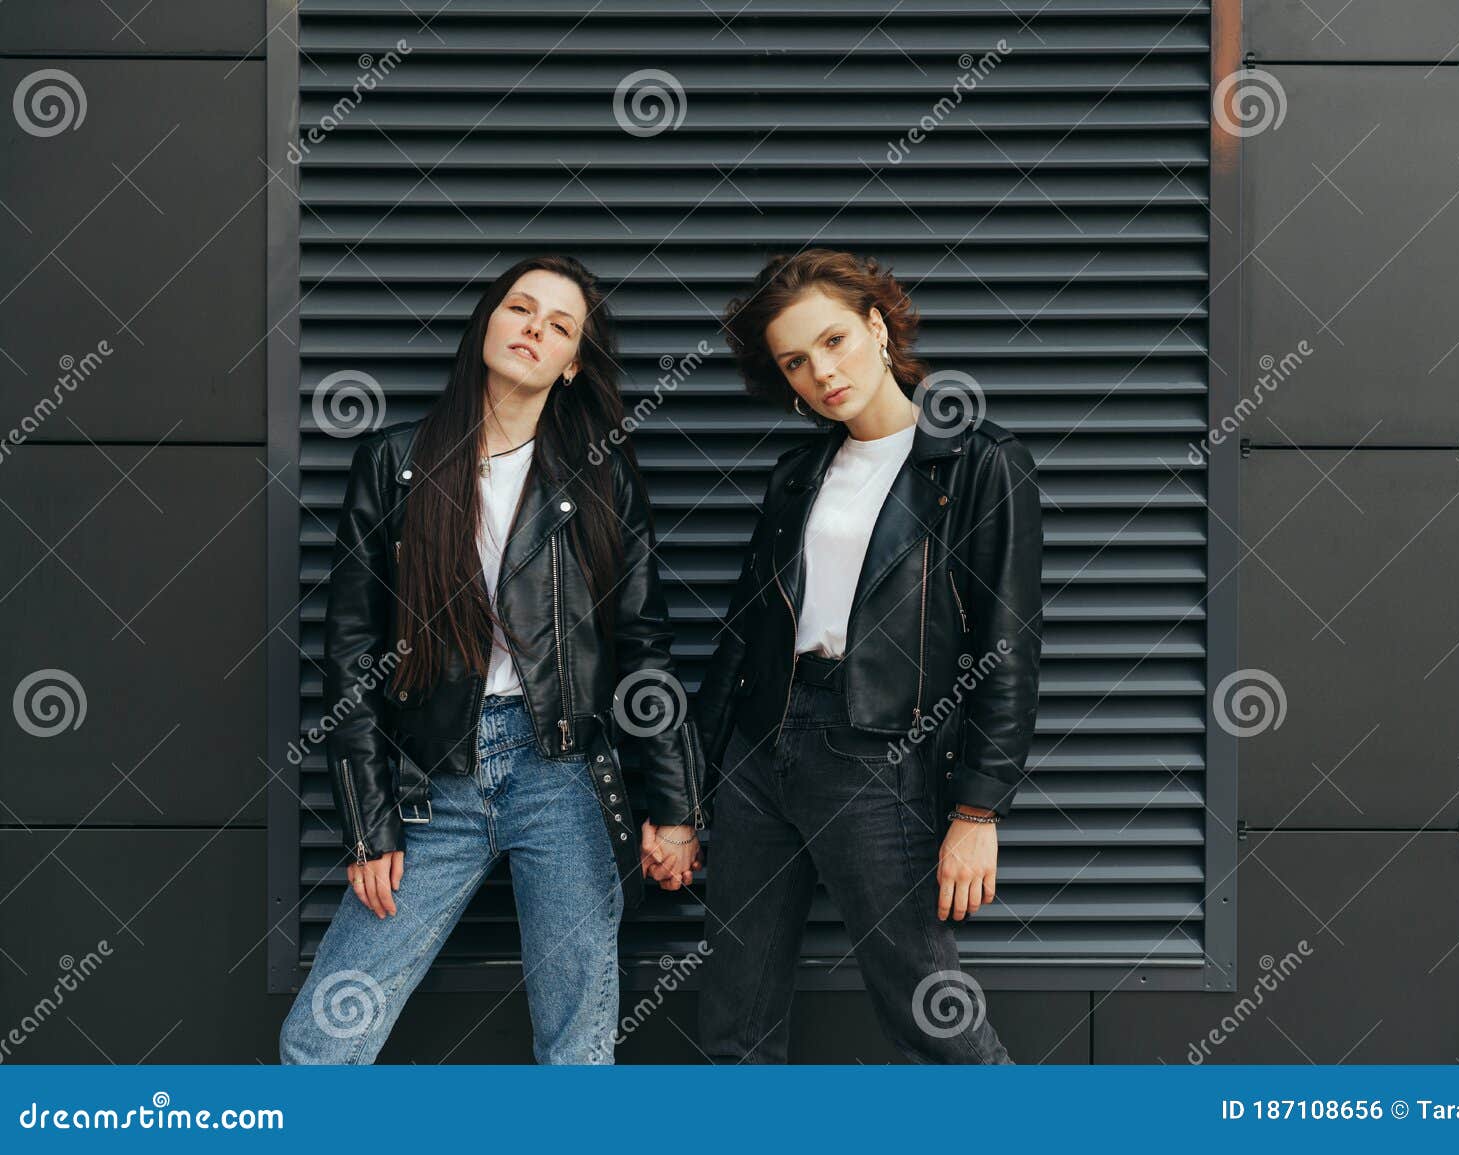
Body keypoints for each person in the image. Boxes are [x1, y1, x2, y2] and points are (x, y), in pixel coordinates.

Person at [280, 255, 703, 1064]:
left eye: (559, 324)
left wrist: (676, 806)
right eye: (520, 308)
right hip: (433, 779)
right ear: (488, 323)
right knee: (321, 1043)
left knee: (577, 1053)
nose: (533, 330)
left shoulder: (601, 476)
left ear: (573, 361)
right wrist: (370, 824)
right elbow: (353, 654)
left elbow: (643, 642)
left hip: (567, 775)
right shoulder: (394, 463)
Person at [668, 248, 1043, 1062]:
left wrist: (979, 811)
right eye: (796, 362)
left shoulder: (978, 463)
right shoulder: (799, 471)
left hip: (879, 752)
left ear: (878, 327)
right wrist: (692, 789)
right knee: (735, 1015)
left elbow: (1007, 650)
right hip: (760, 752)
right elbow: (741, 636)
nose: (821, 373)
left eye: (834, 341)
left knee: (928, 1011)